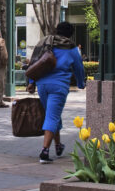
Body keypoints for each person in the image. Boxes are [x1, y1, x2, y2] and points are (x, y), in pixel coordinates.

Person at [28, 21, 85, 164]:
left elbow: (34, 62)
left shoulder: (45, 42)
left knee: (53, 115)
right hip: (59, 86)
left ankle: (58, 146)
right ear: (70, 34)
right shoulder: (71, 48)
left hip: (42, 84)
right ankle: (44, 152)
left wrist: (31, 82)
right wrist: (81, 83)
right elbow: (78, 68)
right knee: (52, 117)